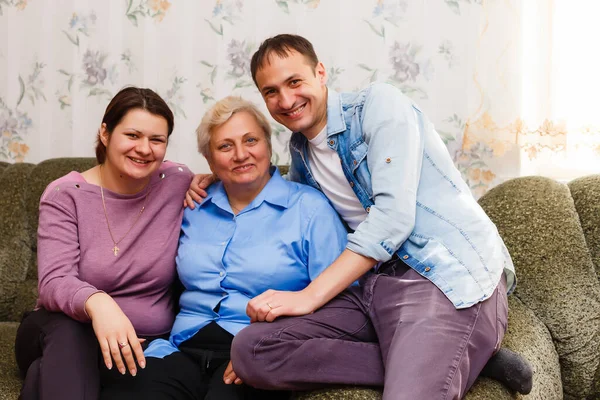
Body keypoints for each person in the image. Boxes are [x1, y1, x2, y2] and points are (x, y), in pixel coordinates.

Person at [188, 34, 533, 399]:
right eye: (271, 91)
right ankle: (462, 359)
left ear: (320, 73)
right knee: (251, 350)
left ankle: (448, 353)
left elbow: (392, 220)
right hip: (374, 286)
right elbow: (287, 202)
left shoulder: (378, 105)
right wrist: (219, 176)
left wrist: (308, 296)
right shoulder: (301, 152)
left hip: (442, 276)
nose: (286, 100)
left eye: (294, 82)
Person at [100, 96, 348, 400]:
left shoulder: (310, 209)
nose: (241, 154)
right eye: (225, 146)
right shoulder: (192, 204)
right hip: (179, 349)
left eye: (251, 140)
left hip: (259, 350)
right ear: (209, 159)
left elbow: (342, 305)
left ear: (269, 146)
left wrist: (270, 348)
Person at [14, 87, 194, 400]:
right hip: (58, 330)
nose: (144, 149)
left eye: (157, 140)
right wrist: (99, 304)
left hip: (138, 346)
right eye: (133, 135)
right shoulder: (65, 194)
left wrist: (210, 180)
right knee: (72, 330)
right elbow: (54, 281)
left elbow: (234, 177)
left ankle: (42, 376)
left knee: (44, 376)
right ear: (105, 133)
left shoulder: (177, 182)